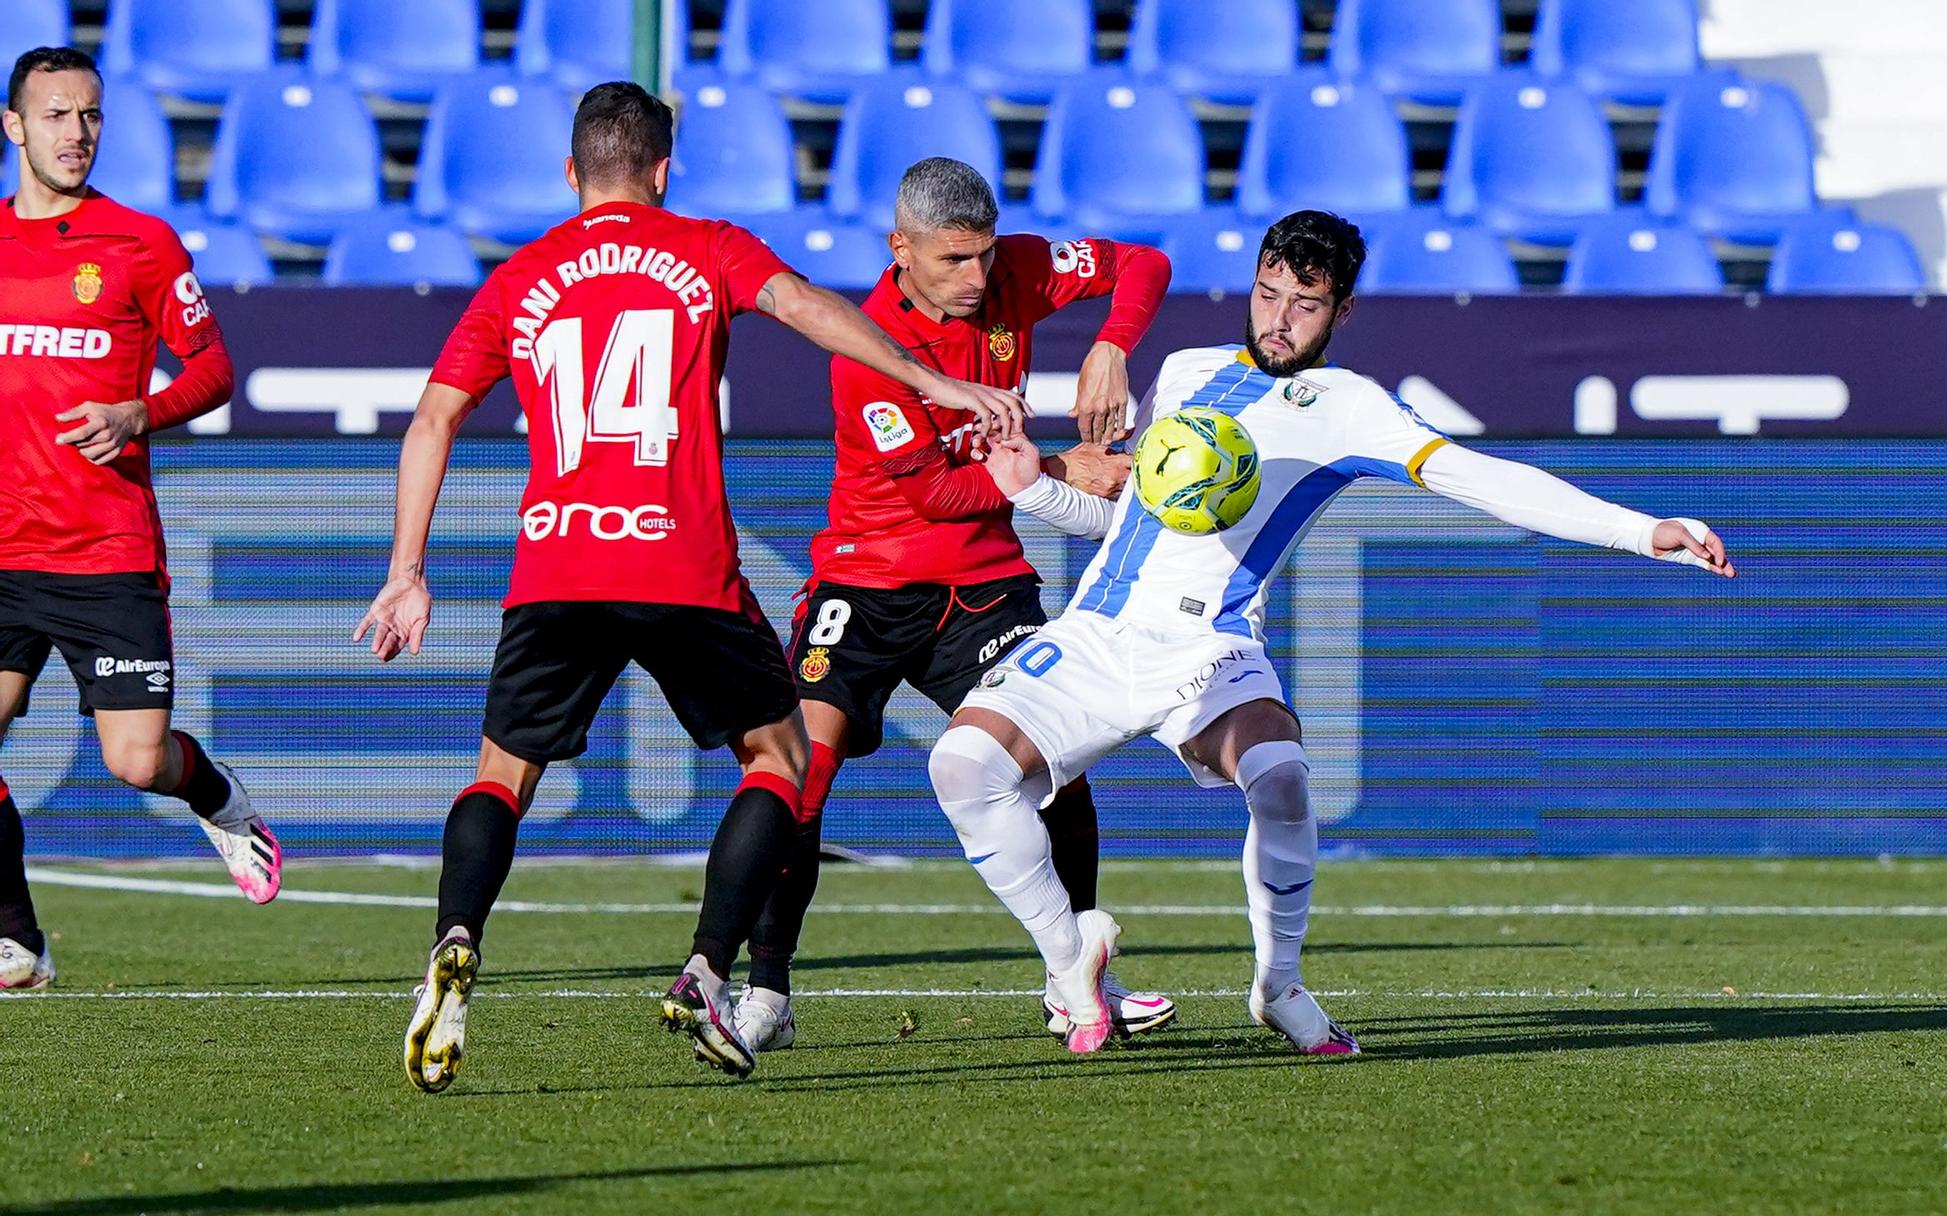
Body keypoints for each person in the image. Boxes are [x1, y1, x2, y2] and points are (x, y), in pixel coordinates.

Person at [356, 83, 1026, 1091]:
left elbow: (431, 420)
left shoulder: (519, 277)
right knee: (778, 753)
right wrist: (932, 381)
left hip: (557, 562)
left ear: (571, 173)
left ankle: (454, 939)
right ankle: (710, 968)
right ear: (663, 172)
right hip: (680, 561)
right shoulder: (705, 246)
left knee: (502, 774)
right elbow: (806, 307)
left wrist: (408, 570)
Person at [941, 210, 1737, 1054]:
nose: (1278, 319)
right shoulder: (1181, 372)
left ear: (1342, 311)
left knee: (1280, 777)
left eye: (1305, 304)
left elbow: (1478, 478)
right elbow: (1134, 520)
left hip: (1211, 646)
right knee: (962, 768)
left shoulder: (1350, 408)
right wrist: (1033, 490)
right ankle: (1072, 963)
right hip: (1101, 631)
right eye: (1267, 292)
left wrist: (1638, 528)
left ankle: (1279, 985)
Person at [735, 157, 1177, 1052]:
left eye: (983, 256)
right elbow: (937, 495)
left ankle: (1077, 974)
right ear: (900, 248)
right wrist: (1055, 469)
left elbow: (1146, 263)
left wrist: (1110, 343)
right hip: (863, 583)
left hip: (984, 587)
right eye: (952, 262)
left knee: (1057, 759)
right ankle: (766, 992)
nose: (978, 279)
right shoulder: (869, 347)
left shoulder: (1014, 268)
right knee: (802, 771)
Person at [0, 47, 281, 991]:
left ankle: (217, 795)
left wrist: (136, 413)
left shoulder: (139, 243)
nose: (74, 134)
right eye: (54, 116)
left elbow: (212, 368)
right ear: (14, 127)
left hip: (104, 548)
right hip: (4, 549)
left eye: (89, 116)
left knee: (135, 760)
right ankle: (18, 941)